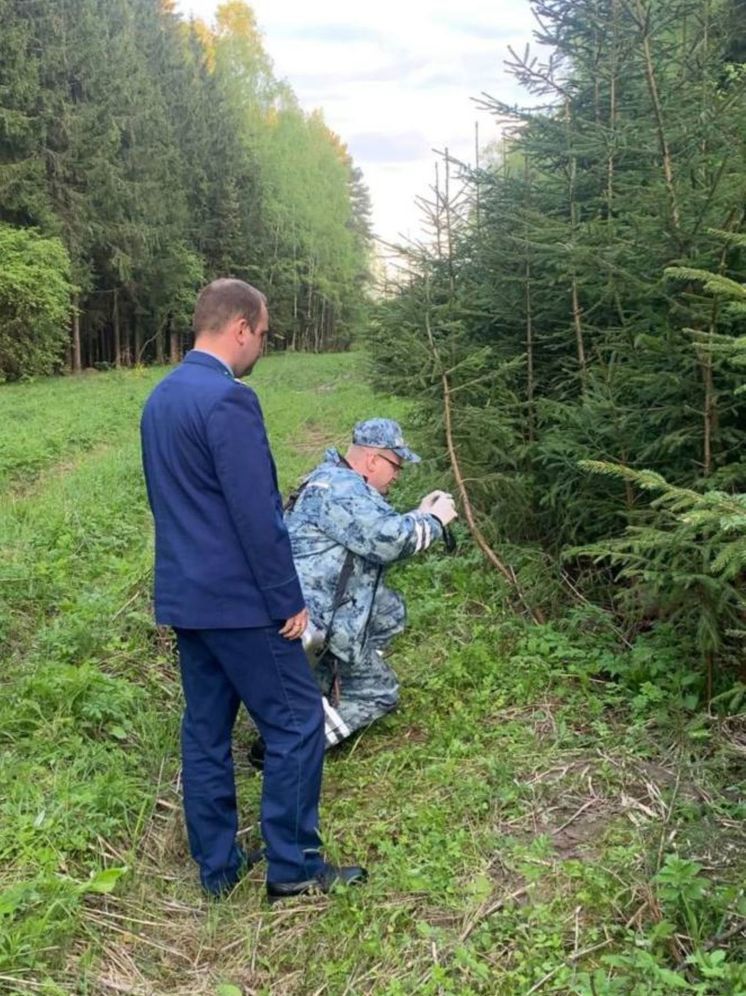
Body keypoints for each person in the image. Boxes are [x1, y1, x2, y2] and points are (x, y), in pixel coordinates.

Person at [140, 278, 365, 902]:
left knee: (206, 732)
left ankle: (218, 867)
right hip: (241, 602)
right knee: (295, 722)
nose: (262, 346)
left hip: (186, 597)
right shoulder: (228, 401)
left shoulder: (160, 399)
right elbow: (256, 514)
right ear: (240, 327)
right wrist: (286, 599)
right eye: (263, 334)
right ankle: (293, 866)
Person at [284, 418, 458, 749]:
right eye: (397, 466)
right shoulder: (341, 490)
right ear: (373, 459)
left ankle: (328, 685)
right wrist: (434, 521)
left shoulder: (332, 479)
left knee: (389, 611)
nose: (397, 475)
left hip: (316, 610)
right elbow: (386, 541)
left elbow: (372, 529)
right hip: (315, 620)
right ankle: (293, 743)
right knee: (380, 692)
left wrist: (418, 515)